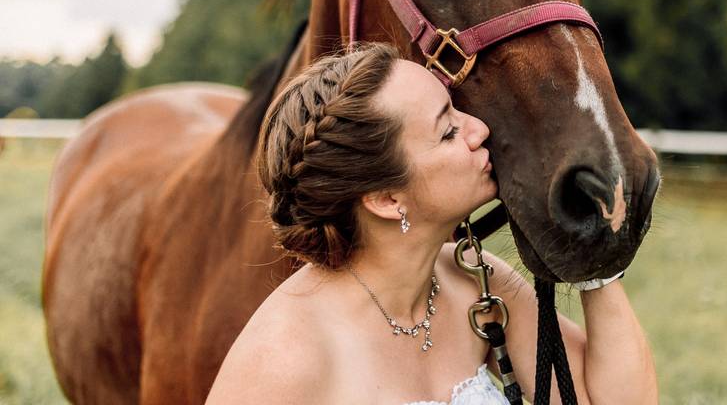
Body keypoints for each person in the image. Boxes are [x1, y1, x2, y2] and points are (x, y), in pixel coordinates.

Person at [206, 43, 657, 404]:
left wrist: (595, 253)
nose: (478, 130)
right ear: (386, 199)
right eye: (448, 131)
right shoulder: (283, 359)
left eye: (456, 110)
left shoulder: (477, 286)